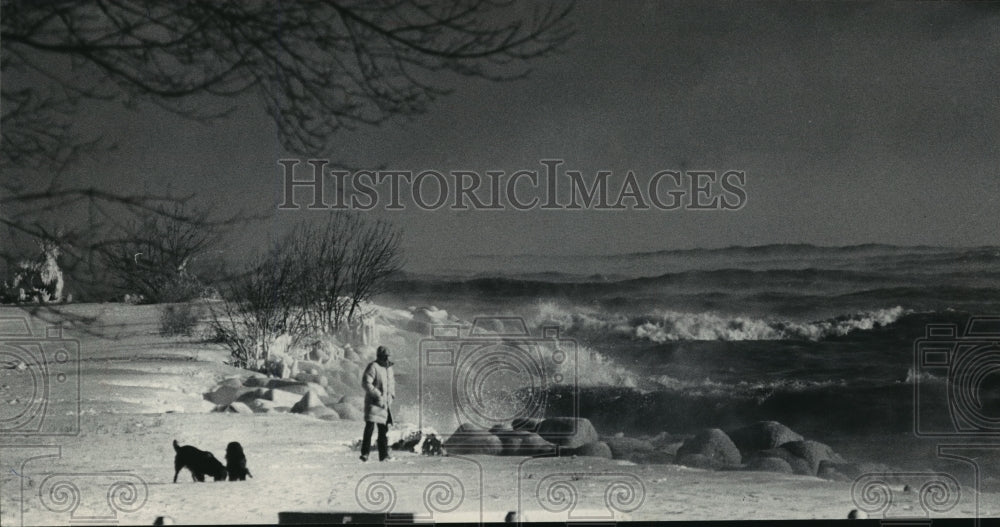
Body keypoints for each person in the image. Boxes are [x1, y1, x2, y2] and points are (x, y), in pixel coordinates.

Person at [360, 345, 395, 462]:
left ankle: (383, 455)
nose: (386, 359)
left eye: (387, 356)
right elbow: (366, 383)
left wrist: (391, 396)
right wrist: (377, 395)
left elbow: (391, 385)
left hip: (384, 405)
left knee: (383, 431)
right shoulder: (373, 367)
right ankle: (365, 453)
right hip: (373, 403)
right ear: (379, 356)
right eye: (384, 356)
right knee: (369, 428)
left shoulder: (389, 369)